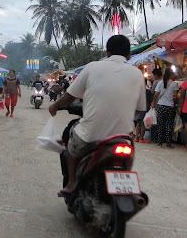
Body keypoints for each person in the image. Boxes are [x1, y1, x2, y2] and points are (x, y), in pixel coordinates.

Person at [49, 35, 146, 196]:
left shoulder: (92, 67)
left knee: (71, 148)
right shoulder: (137, 75)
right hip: (123, 137)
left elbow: (69, 97)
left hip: (91, 135)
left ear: (107, 52)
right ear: (129, 55)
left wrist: (55, 106)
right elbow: (139, 108)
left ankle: (72, 184)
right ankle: (125, 186)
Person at [152, 67, 179, 148]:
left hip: (160, 106)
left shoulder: (160, 83)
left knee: (160, 125)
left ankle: (159, 143)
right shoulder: (174, 84)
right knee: (169, 125)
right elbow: (175, 96)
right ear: (171, 75)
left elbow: (156, 95)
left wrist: (154, 103)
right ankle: (168, 143)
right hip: (170, 107)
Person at [134, 78, 153, 143]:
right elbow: (151, 100)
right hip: (145, 109)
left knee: (138, 124)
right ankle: (141, 138)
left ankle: (136, 137)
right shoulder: (148, 92)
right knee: (143, 124)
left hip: (138, 109)